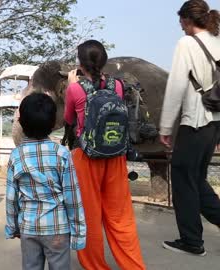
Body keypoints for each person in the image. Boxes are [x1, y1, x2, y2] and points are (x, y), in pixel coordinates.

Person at [64, 40, 146, 269]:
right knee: (121, 217)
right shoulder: (118, 86)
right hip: (115, 157)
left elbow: (69, 121)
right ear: (104, 60)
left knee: (89, 218)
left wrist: (72, 83)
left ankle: (96, 266)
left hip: (87, 158)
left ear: (80, 62)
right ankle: (133, 265)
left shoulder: (75, 89)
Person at [159, 0, 220, 256]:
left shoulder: (187, 43)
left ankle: (192, 242)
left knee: (184, 179)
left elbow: (176, 87)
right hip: (215, 123)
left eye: (181, 23)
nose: (181, 28)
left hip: (195, 121)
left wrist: (165, 126)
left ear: (186, 20)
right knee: (196, 178)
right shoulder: (218, 41)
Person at [5, 93, 86, 270]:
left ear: (21, 122)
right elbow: (72, 197)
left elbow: (11, 198)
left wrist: (12, 226)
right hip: (57, 228)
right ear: (52, 124)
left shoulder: (16, 155)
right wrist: (79, 233)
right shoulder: (62, 154)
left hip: (29, 227)